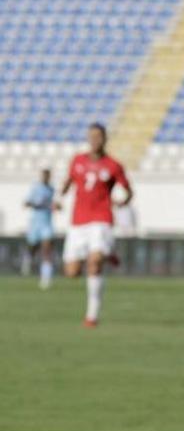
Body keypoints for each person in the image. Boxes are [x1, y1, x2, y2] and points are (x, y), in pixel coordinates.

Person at [61, 123, 132, 327]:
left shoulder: (113, 165)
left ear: (105, 139)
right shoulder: (77, 161)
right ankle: (107, 253)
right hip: (79, 221)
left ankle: (91, 316)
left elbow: (128, 191)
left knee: (94, 263)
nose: (95, 140)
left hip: (101, 219)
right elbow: (69, 181)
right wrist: (60, 196)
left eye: (98, 136)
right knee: (72, 272)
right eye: (91, 136)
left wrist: (123, 201)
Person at [24, 168, 58, 289]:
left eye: (47, 176)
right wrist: (39, 204)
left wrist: (56, 206)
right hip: (35, 224)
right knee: (32, 247)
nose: (45, 178)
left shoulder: (52, 189)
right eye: (44, 176)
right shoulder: (35, 188)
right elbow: (26, 203)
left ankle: (46, 278)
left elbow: (54, 204)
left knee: (47, 251)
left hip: (47, 224)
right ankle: (28, 258)